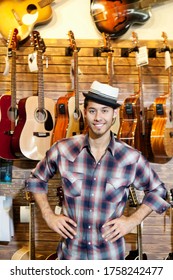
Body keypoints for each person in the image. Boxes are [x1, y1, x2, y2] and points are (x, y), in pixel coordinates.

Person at [25, 80, 170, 260]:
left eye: (105, 111)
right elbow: (36, 179)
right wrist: (48, 216)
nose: (98, 118)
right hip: (70, 257)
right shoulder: (63, 149)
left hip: (108, 258)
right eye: (92, 110)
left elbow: (158, 191)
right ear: (85, 112)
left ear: (115, 114)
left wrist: (133, 220)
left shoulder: (130, 158)